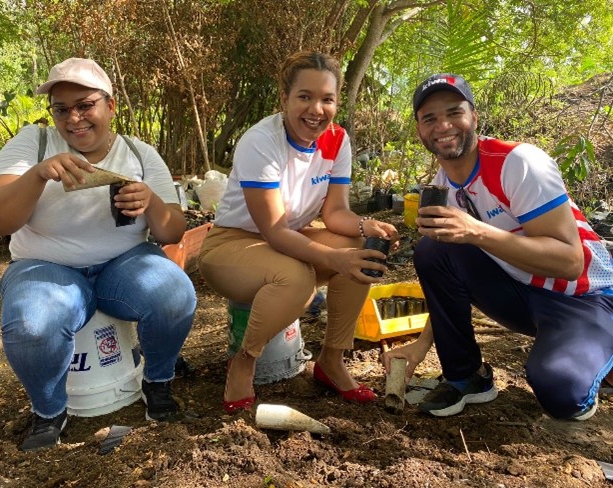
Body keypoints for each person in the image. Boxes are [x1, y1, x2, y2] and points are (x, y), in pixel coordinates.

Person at [0, 58, 197, 451]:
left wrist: (150, 203)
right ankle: (49, 411)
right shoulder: (34, 144)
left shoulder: (139, 154)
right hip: (45, 266)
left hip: (124, 264)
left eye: (85, 105)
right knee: (31, 324)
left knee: (173, 293)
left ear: (110, 106)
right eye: (61, 109)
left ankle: (158, 382)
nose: (74, 118)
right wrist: (38, 174)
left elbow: (172, 231)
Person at [382, 73, 613, 420]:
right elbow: (444, 271)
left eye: (454, 112)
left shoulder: (518, 163)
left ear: (474, 117)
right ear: (420, 130)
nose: (443, 126)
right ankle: (466, 377)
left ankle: (599, 351)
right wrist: (421, 345)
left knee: (562, 392)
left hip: (583, 297)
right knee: (433, 249)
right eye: (430, 118)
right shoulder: (443, 185)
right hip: (520, 292)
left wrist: (476, 231)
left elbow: (570, 263)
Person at [198, 51, 398, 413]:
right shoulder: (261, 141)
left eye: (327, 99)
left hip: (289, 237)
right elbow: (274, 231)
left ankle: (331, 360)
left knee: (360, 248)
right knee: (297, 277)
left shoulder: (336, 139)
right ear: (285, 98)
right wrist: (334, 258)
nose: (316, 110)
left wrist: (364, 225)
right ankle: (244, 361)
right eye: (305, 96)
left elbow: (334, 213)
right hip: (232, 244)